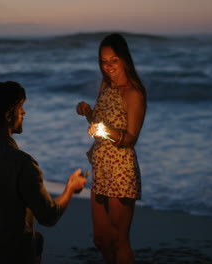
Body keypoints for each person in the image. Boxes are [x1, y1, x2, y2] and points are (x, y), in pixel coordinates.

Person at [0, 81, 87, 264]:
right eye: (21, 108)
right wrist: (70, 188)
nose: (24, 113)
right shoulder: (22, 163)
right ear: (9, 115)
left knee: (36, 240)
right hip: (15, 256)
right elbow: (49, 216)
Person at [76, 33, 147, 264]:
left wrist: (103, 129)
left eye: (113, 60)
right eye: (104, 61)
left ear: (124, 59)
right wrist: (88, 113)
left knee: (119, 238)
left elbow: (130, 138)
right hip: (102, 169)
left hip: (121, 171)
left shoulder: (133, 92)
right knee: (101, 239)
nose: (108, 66)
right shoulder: (106, 87)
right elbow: (100, 125)